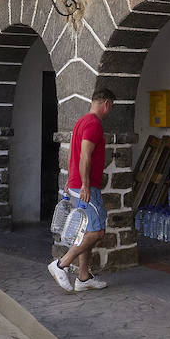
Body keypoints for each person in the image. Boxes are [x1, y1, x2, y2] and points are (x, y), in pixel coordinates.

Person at [49, 88, 114, 293]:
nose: (110, 111)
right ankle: (62, 264)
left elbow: (72, 153)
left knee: (86, 230)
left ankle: (83, 277)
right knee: (96, 231)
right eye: (111, 107)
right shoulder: (94, 124)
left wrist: (71, 179)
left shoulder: (81, 121)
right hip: (86, 187)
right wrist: (85, 185)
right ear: (106, 104)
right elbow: (85, 155)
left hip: (77, 184)